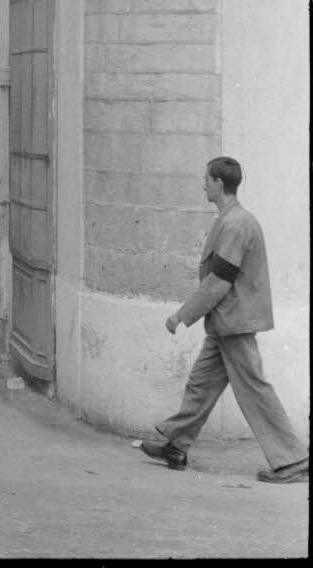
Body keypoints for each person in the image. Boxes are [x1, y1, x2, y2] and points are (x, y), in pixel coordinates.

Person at [138, 156, 308, 484]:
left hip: (235, 322)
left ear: (219, 183)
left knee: (254, 390)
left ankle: (293, 459)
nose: (203, 184)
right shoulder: (231, 219)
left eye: (207, 179)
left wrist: (182, 315)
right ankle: (176, 445)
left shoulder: (235, 224)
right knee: (201, 383)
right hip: (226, 322)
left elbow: (219, 280)